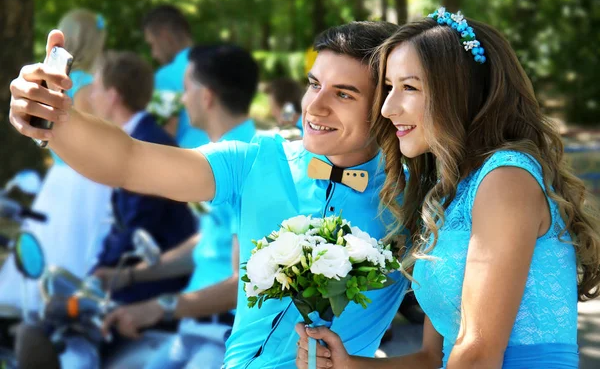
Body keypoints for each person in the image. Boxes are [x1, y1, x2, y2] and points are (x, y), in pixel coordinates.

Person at [7, 21, 408, 369]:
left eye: (343, 94)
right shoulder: (254, 160)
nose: (314, 107)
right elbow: (129, 160)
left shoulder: (419, 201)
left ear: (385, 105)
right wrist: (57, 120)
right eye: (314, 85)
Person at [295, 8, 600, 368]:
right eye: (389, 88)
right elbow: (431, 358)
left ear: (460, 93)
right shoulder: (446, 195)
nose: (388, 108)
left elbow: (478, 352)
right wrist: (347, 365)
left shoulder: (506, 179)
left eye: (409, 87)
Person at [96, 45, 260, 369]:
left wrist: (160, 306)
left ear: (207, 97)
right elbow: (209, 243)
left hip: (225, 337)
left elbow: (247, 284)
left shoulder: (250, 163)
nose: (182, 101)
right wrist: (130, 276)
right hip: (195, 330)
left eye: (186, 90)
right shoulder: (225, 153)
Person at [0, 8, 112, 311]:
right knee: (79, 244)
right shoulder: (91, 87)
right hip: (86, 177)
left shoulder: (60, 81)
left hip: (60, 177)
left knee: (50, 240)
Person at [87, 50, 197, 304]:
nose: (91, 97)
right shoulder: (135, 135)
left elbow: (140, 227)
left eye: (96, 89)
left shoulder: (149, 143)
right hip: (138, 265)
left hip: (157, 277)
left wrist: (101, 271)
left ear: (113, 96)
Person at [143, 5, 210, 148]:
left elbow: (160, 138)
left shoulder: (165, 76)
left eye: (152, 44)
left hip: (188, 159)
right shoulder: (217, 63)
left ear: (164, 35)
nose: (153, 54)